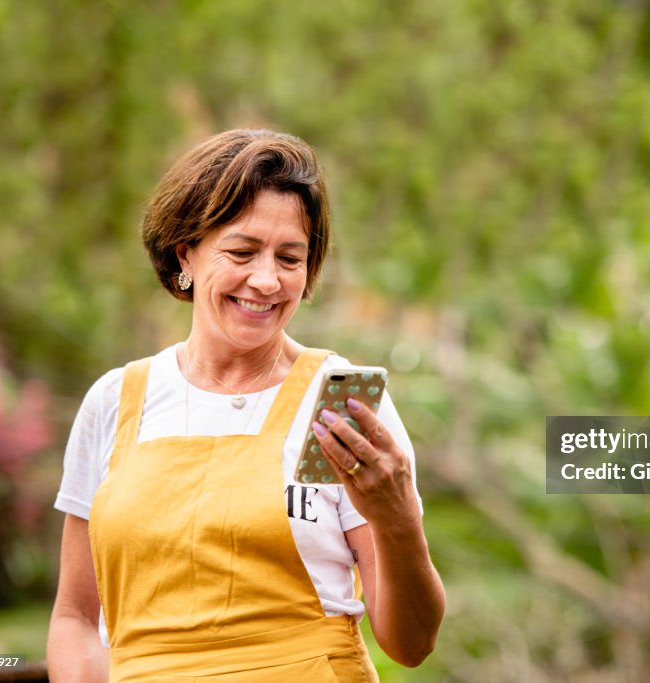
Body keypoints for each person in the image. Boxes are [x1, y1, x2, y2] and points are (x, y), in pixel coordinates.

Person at [47, 129, 446, 681]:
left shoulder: (335, 403)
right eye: (242, 252)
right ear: (185, 251)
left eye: (290, 257)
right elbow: (74, 618)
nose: (266, 280)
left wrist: (398, 517)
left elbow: (411, 644)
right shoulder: (115, 401)